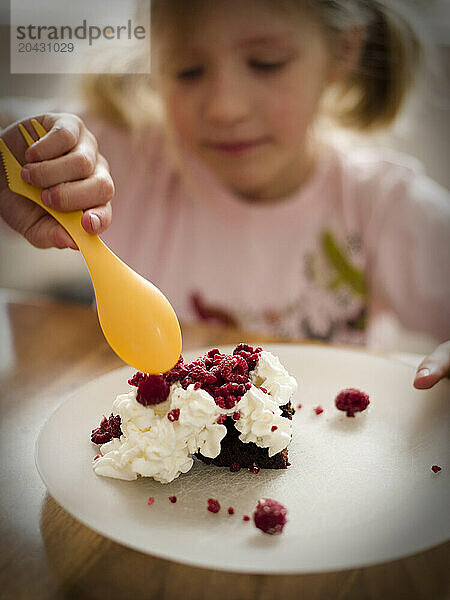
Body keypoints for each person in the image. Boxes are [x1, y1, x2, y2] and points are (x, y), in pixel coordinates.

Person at [0, 0, 449, 387]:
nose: (225, 107)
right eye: (188, 71)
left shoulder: (381, 205)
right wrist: (19, 158)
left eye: (266, 63)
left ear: (342, 52)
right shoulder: (123, 158)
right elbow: (11, 142)